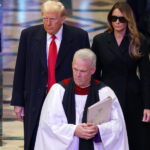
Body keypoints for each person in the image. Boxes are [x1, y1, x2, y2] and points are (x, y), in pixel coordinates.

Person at [11, 1, 90, 150]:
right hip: (35, 99)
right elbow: (20, 69)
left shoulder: (79, 37)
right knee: (34, 139)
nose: (48, 23)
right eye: (44, 18)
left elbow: (86, 71)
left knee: (64, 140)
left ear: (62, 19)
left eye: (52, 19)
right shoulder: (28, 35)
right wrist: (18, 102)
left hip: (66, 99)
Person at [34, 48, 129, 150]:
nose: (77, 75)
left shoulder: (105, 93)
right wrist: (74, 130)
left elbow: (118, 125)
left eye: (83, 71)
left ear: (93, 70)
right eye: (75, 69)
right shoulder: (58, 91)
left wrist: (99, 130)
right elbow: (48, 124)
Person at [91, 2, 150, 150]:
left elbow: (146, 76)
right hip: (106, 97)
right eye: (114, 18)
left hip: (133, 97)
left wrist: (147, 106)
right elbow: (95, 74)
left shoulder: (139, 40)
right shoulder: (100, 40)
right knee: (109, 138)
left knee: (134, 138)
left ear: (128, 20)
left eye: (121, 19)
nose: (117, 22)